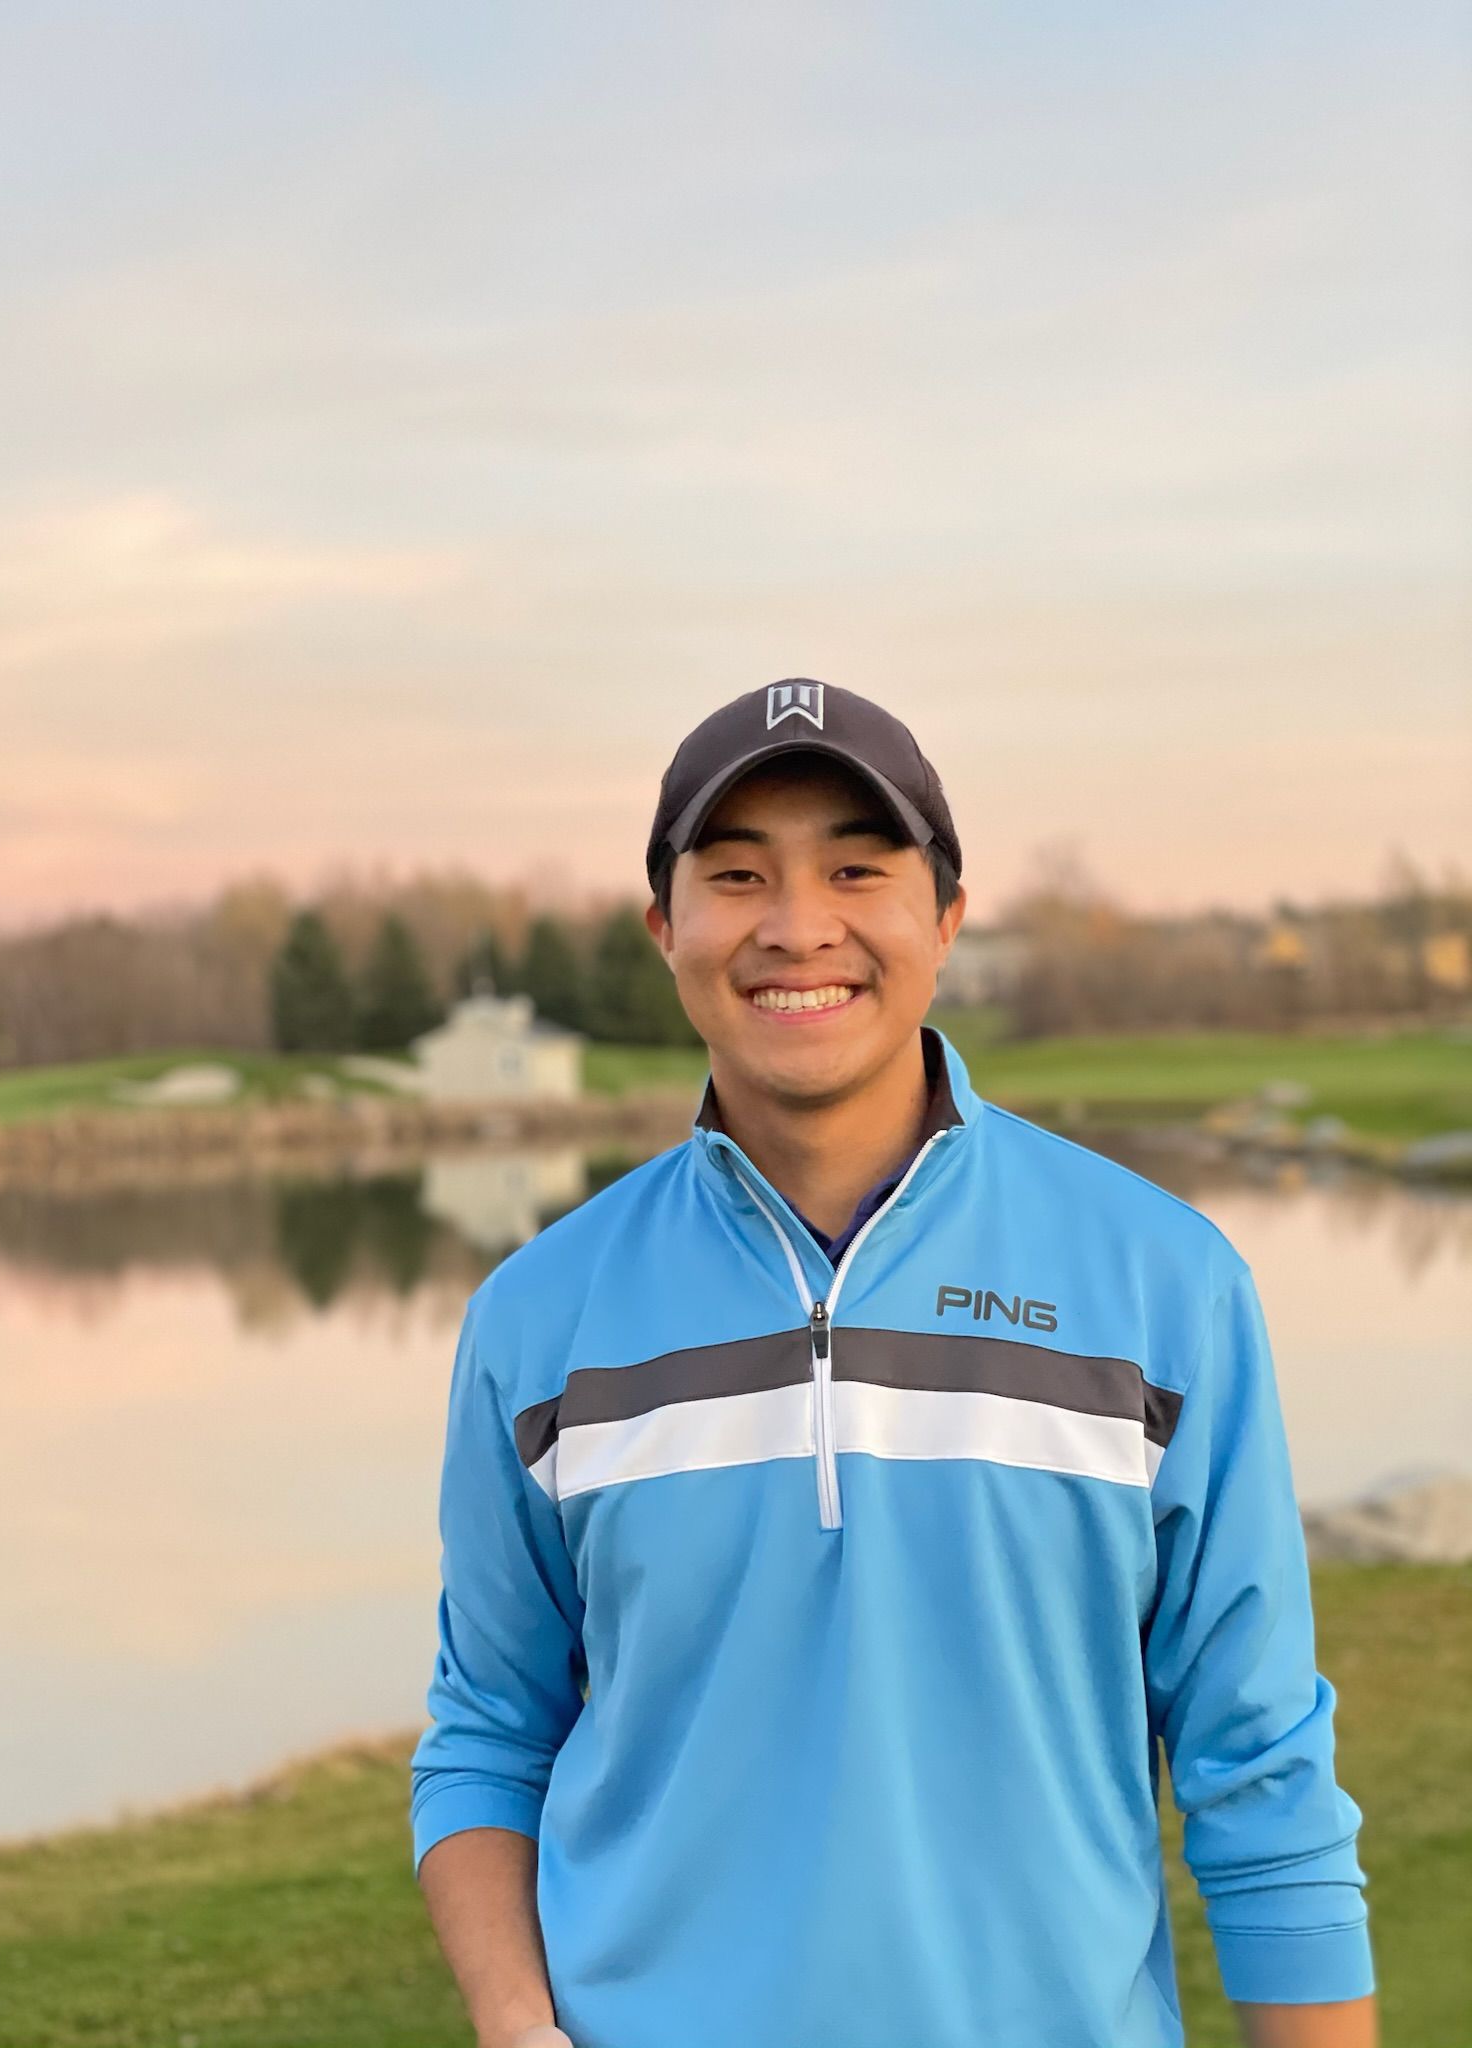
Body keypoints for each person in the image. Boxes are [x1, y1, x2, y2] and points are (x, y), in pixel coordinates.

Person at [409, 679, 1377, 2048]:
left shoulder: (1163, 1280)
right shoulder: (535, 1316)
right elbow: (490, 1733)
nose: (798, 927)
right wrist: (516, 2024)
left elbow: (1260, 1760)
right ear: (665, 929)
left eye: (856, 870)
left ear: (946, 917)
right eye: (737, 875)